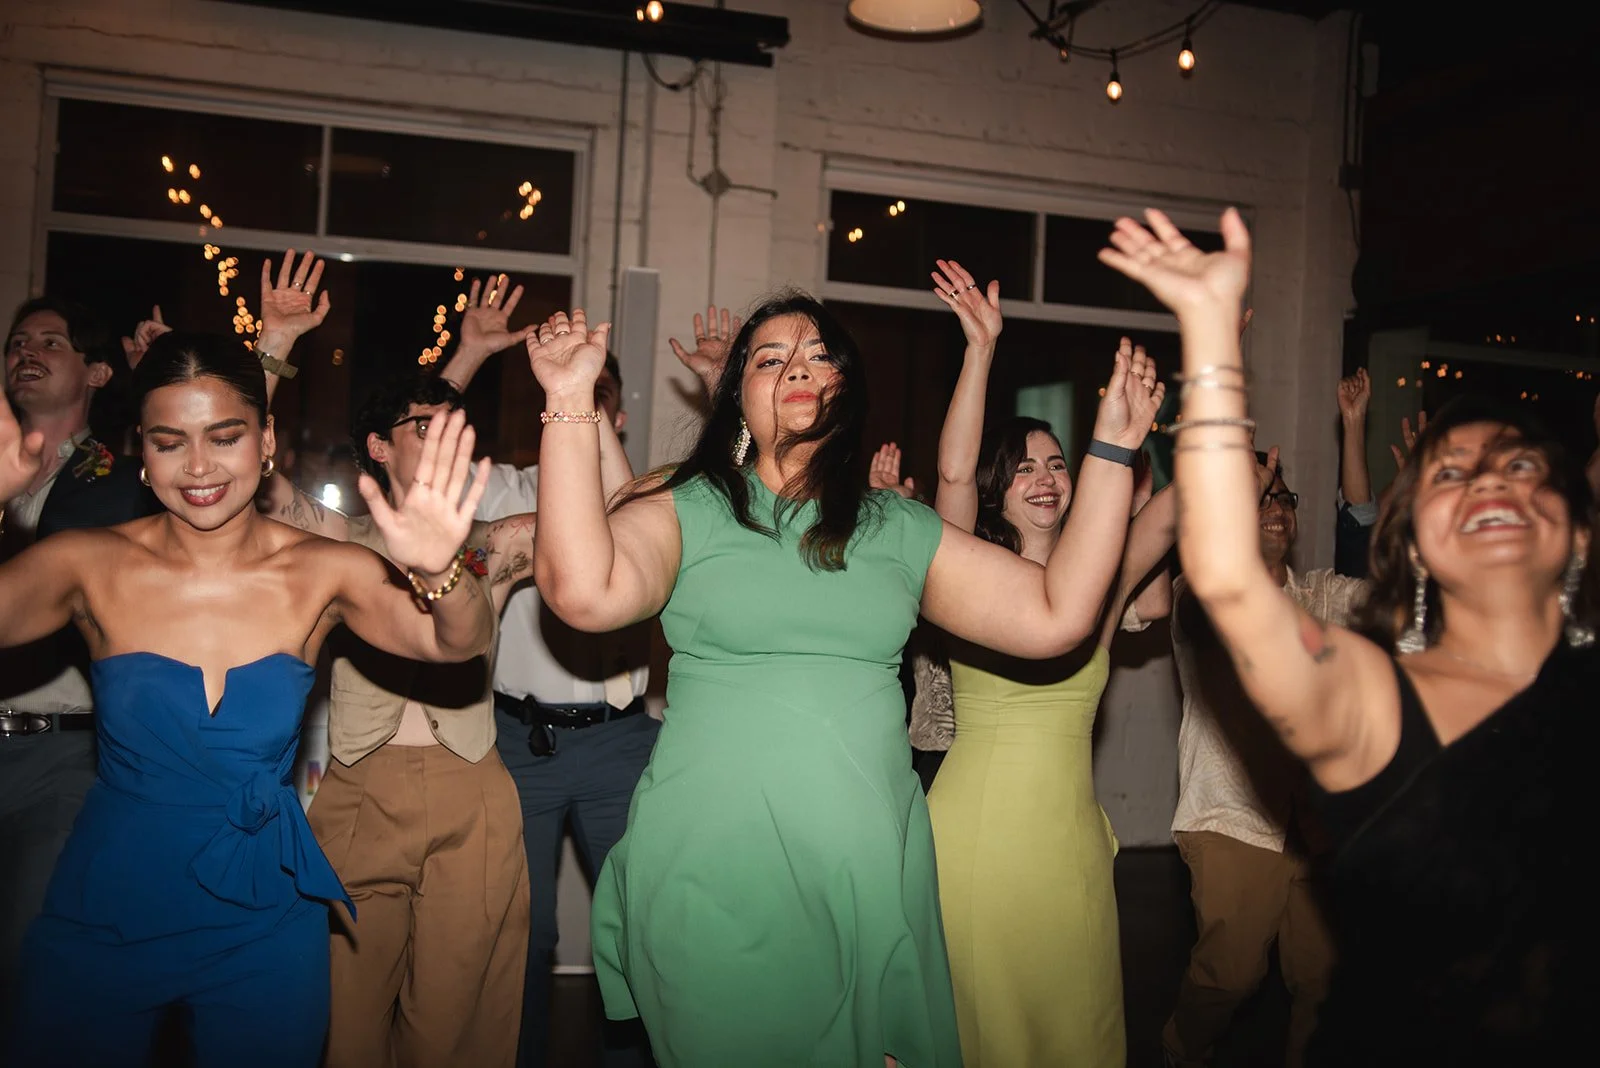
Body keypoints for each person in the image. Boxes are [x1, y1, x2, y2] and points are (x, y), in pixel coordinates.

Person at [522, 290, 1162, 1066]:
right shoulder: (683, 506)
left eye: (820, 354)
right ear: (738, 395)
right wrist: (566, 401)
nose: (797, 365)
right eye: (769, 358)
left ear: (846, 391)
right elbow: (581, 592)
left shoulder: (897, 527)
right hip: (710, 875)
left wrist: (1115, 451)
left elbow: (1058, 615)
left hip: (866, 883)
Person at [1100, 207, 1592, 1065]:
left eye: (1518, 463)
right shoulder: (1379, 699)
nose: (1489, 485)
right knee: (1235, 976)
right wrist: (1214, 344)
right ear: (1415, 536)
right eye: (1451, 474)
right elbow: (1226, 580)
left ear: (1574, 527)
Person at [0, 330, 494, 1068]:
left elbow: (459, 643)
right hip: (109, 901)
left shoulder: (324, 570)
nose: (198, 467)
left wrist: (440, 570)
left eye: (224, 437)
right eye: (170, 443)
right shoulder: (87, 562)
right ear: (141, 450)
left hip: (264, 911)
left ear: (266, 439)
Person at [251, 254, 539, 1068]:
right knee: (342, 1018)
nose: (448, 437)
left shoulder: (499, 543)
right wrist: (272, 346)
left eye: (457, 427)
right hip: (357, 789)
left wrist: (575, 401)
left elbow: (604, 526)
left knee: (453, 1027)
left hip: (470, 789)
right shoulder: (340, 541)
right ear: (377, 447)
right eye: (422, 429)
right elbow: (247, 483)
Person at [914, 259, 1174, 1068]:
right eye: (1024, 466)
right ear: (998, 490)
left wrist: (1199, 382)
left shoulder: (1098, 587)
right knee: (981, 1030)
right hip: (976, 836)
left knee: (1079, 1030)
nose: (1045, 477)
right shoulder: (969, 576)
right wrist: (981, 350)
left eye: (1057, 462)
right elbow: (952, 472)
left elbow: (1172, 518)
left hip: (1069, 844)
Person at [437, 274, 653, 1068]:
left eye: (600, 401)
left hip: (620, 747)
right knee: (519, 937)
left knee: (634, 933)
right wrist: (467, 355)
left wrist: (586, 404)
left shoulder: (646, 497)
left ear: (615, 415)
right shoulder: (503, 491)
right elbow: (420, 449)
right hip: (515, 740)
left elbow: (630, 518)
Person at [1163, 452, 1360, 1068]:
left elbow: (1399, 594)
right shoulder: (1199, 593)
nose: (1277, 507)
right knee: (1231, 976)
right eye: (1261, 496)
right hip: (1232, 816)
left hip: (1315, 826)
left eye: (1286, 498)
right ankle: (1179, 1053)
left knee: (1322, 982)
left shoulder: (1322, 594)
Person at [0, 297, 161, 1012]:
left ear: (96, 371)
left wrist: (155, 382)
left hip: (63, 757)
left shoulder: (120, 486)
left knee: (32, 964)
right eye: (17, 342)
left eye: (51, 342)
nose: (26, 352)